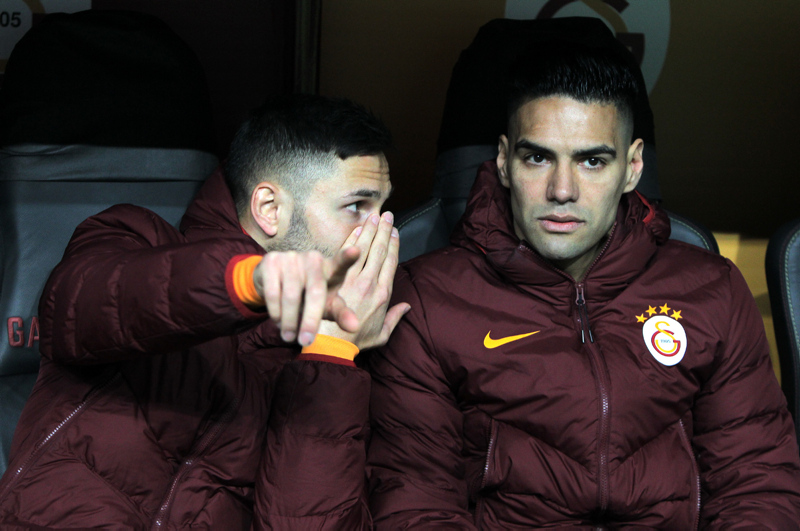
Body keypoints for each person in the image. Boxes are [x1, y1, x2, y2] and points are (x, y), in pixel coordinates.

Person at [366, 43, 800, 529]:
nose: (562, 190)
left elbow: (756, 483)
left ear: (632, 168)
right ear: (504, 161)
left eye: (592, 161)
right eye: (538, 158)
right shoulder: (428, 301)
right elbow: (416, 502)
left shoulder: (711, 289)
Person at [0, 94, 406, 529]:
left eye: (383, 210)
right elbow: (79, 307)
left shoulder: (340, 354)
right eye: (357, 207)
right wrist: (250, 283)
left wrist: (332, 353)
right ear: (270, 210)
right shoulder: (135, 237)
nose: (381, 232)